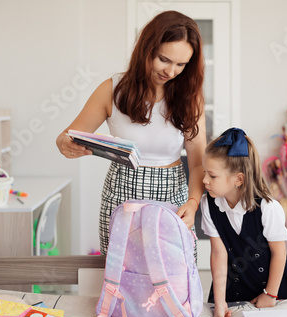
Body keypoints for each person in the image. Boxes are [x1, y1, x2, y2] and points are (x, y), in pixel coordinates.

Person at [56, 10, 206, 256]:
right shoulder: (112, 89)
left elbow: (198, 162)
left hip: (172, 193)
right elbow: (66, 136)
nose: (171, 72)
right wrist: (65, 144)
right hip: (122, 192)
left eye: (181, 65)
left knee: (174, 272)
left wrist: (193, 203)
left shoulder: (190, 97)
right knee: (121, 275)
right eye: (164, 59)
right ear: (147, 49)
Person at [200, 128, 287, 317]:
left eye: (212, 176)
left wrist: (270, 295)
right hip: (234, 288)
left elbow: (279, 254)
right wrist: (220, 300)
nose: (204, 180)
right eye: (205, 172)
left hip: (274, 289)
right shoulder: (209, 205)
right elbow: (218, 253)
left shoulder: (269, 208)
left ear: (239, 179)